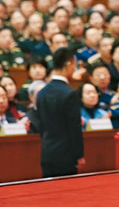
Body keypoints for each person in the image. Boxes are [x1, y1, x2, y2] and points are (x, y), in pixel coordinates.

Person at [35, 47, 84, 177]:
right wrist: (79, 155)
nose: (74, 69)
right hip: (66, 156)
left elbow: (41, 126)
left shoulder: (41, 93)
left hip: (46, 152)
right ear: (68, 64)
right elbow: (74, 128)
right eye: (74, 65)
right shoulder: (70, 94)